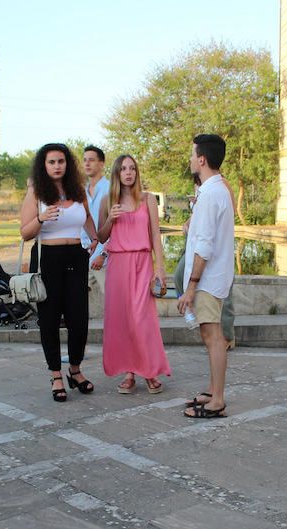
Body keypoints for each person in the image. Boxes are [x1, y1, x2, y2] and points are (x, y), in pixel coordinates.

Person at [19, 143, 99, 402]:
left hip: (76, 257)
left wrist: (95, 238)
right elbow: (25, 232)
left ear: (68, 164)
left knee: (79, 318)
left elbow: (86, 217)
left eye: (61, 161)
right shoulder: (37, 193)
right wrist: (41, 218)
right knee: (50, 319)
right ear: (44, 165)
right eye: (52, 162)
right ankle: (55, 375)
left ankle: (75, 370)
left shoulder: (77, 190)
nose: (57, 166)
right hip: (49, 259)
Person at [96, 154, 170, 393]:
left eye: (132, 169)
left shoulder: (147, 199)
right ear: (117, 174)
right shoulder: (108, 200)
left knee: (143, 318)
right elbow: (101, 236)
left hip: (142, 262)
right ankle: (129, 372)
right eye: (124, 169)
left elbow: (156, 234)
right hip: (118, 264)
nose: (129, 173)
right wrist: (110, 218)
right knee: (123, 319)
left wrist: (159, 267)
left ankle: (149, 370)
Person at [179, 134, 234, 418]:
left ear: (201, 159)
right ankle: (213, 390)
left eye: (192, 155)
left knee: (214, 336)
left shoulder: (213, 193)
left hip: (209, 280)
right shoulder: (212, 191)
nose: (190, 160)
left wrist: (191, 287)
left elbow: (205, 246)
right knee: (208, 333)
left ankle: (218, 400)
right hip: (211, 279)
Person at [83, 145, 109, 295]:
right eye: (85, 160)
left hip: (104, 257)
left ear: (101, 163)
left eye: (91, 160)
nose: (87, 163)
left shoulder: (111, 188)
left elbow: (115, 225)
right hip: (82, 254)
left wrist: (104, 253)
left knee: (113, 301)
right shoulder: (80, 192)